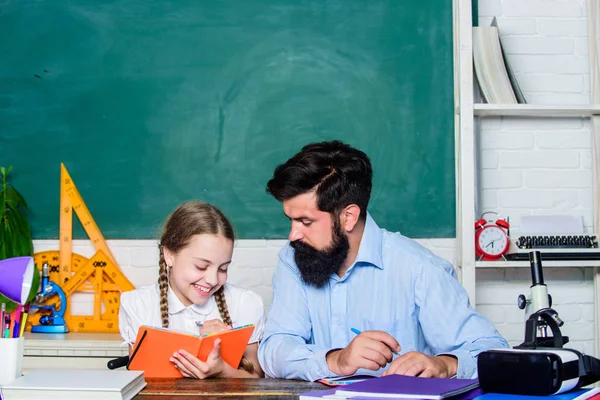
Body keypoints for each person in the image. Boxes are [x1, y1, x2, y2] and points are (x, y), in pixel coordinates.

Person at [258, 140, 508, 381]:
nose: (293, 235)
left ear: (348, 217)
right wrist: (336, 360)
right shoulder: (293, 258)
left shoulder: (418, 267)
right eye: (290, 220)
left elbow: (492, 350)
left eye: (305, 221)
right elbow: (274, 349)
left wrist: (444, 364)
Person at [119, 201, 265, 378]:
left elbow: (257, 378)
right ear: (169, 255)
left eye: (223, 268)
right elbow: (139, 380)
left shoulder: (246, 303)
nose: (212, 280)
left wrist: (223, 370)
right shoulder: (138, 304)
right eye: (201, 267)